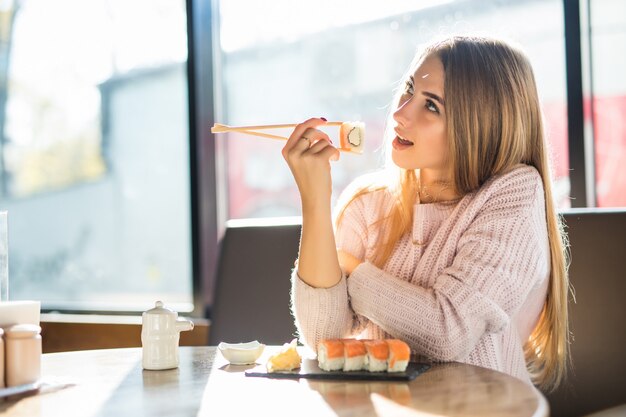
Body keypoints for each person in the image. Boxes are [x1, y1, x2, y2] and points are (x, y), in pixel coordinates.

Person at [281, 35, 570, 391]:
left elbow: (447, 331)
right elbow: (323, 336)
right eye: (408, 89)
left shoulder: (513, 195)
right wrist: (314, 199)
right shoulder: (366, 202)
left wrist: (352, 270)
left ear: (480, 123)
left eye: (431, 106)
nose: (400, 113)